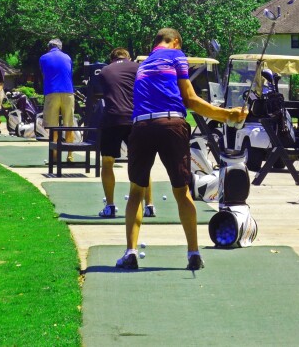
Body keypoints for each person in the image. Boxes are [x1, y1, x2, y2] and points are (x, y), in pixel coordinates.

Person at [116, 28, 247, 271]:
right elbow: (191, 100)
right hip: (171, 125)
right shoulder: (177, 55)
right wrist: (227, 115)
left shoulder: (142, 64)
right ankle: (193, 254)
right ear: (175, 42)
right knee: (182, 191)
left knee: (136, 192)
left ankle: (131, 252)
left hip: (142, 126)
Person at [97, 47, 154, 218]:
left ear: (111, 58)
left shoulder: (104, 71)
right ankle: (149, 206)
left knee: (107, 162)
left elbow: (103, 92)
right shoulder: (138, 68)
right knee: (142, 163)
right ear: (128, 57)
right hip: (135, 119)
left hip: (112, 119)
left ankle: (110, 206)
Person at [40, 38, 75, 160]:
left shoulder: (43, 58)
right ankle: (70, 155)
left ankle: (54, 155)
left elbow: (44, 74)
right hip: (68, 91)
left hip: (52, 91)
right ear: (60, 47)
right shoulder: (68, 57)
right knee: (69, 125)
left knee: (53, 126)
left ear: (49, 47)